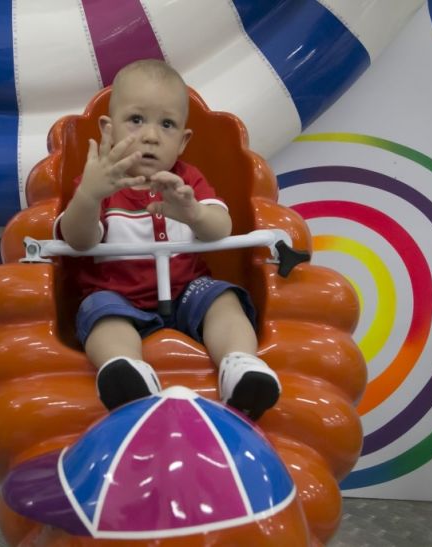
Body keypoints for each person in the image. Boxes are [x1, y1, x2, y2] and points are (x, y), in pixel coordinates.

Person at [56, 59, 280, 420]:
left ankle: (241, 366)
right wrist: (90, 196)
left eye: (167, 124)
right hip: (118, 298)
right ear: (108, 129)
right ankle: (126, 373)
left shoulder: (188, 181)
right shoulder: (100, 184)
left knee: (222, 298)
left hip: (187, 292)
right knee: (101, 315)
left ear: (183, 140)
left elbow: (220, 228)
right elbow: (78, 240)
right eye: (136, 120)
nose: (150, 136)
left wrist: (194, 213)